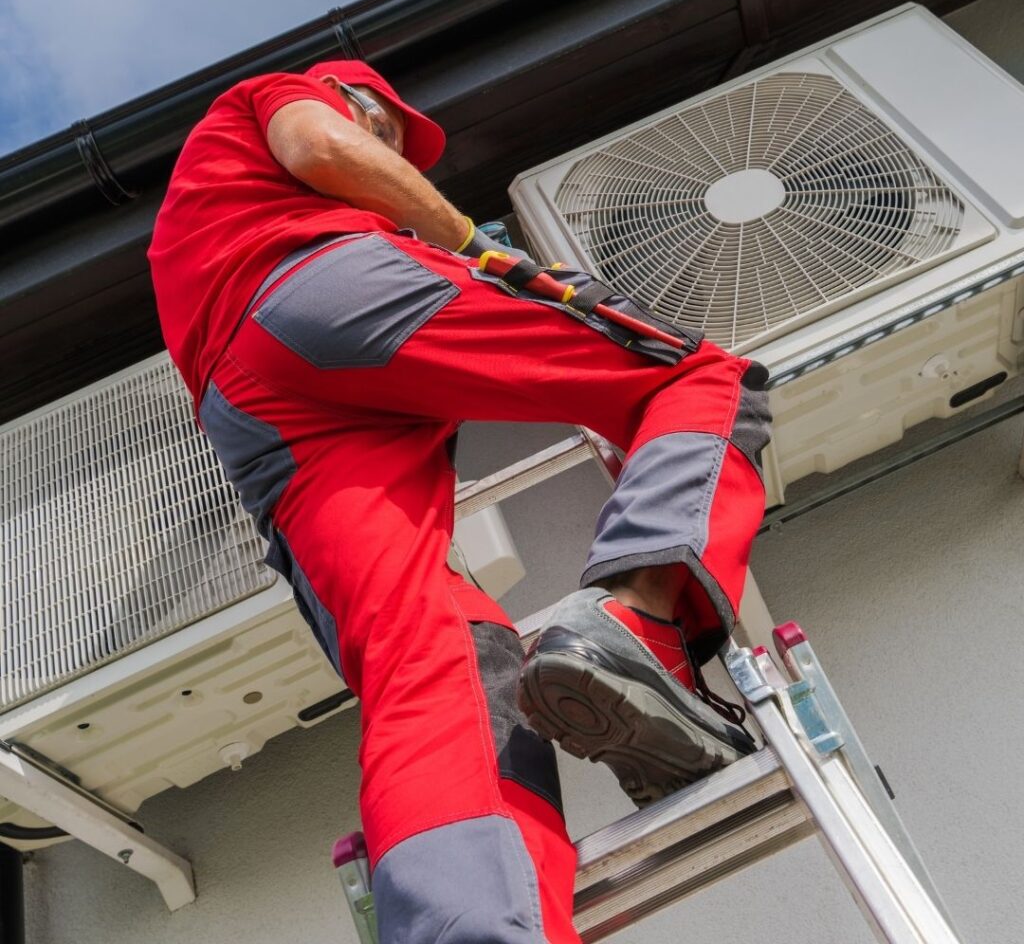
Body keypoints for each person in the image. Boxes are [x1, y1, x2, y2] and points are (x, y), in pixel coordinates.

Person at [148, 58, 772, 943]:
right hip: (317, 287)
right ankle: (640, 624)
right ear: (358, 102)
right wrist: (472, 244)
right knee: (700, 377)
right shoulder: (282, 96)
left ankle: (469, 925)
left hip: (250, 411)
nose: (401, 158)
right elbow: (319, 145)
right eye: (394, 134)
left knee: (433, 650)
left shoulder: (195, 223)